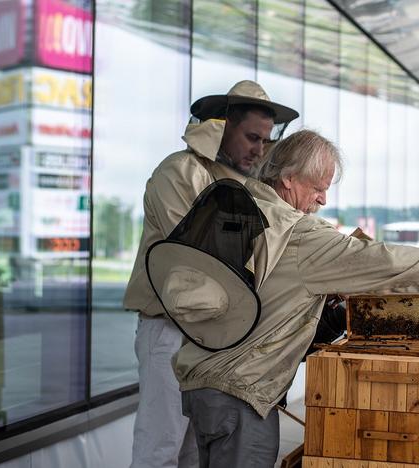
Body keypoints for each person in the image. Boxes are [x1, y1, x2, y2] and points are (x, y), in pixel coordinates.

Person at [171, 129, 419, 468]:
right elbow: (381, 261)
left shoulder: (236, 209)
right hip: (242, 394)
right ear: (288, 179)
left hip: (200, 384)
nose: (322, 200)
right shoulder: (300, 235)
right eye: (318, 187)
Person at [123, 81, 299, 468]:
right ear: (221, 127)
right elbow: (192, 262)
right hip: (170, 331)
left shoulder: (244, 183)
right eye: (252, 136)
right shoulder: (177, 172)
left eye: (265, 140)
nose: (259, 149)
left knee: (194, 452)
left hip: (214, 336)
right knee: (161, 446)